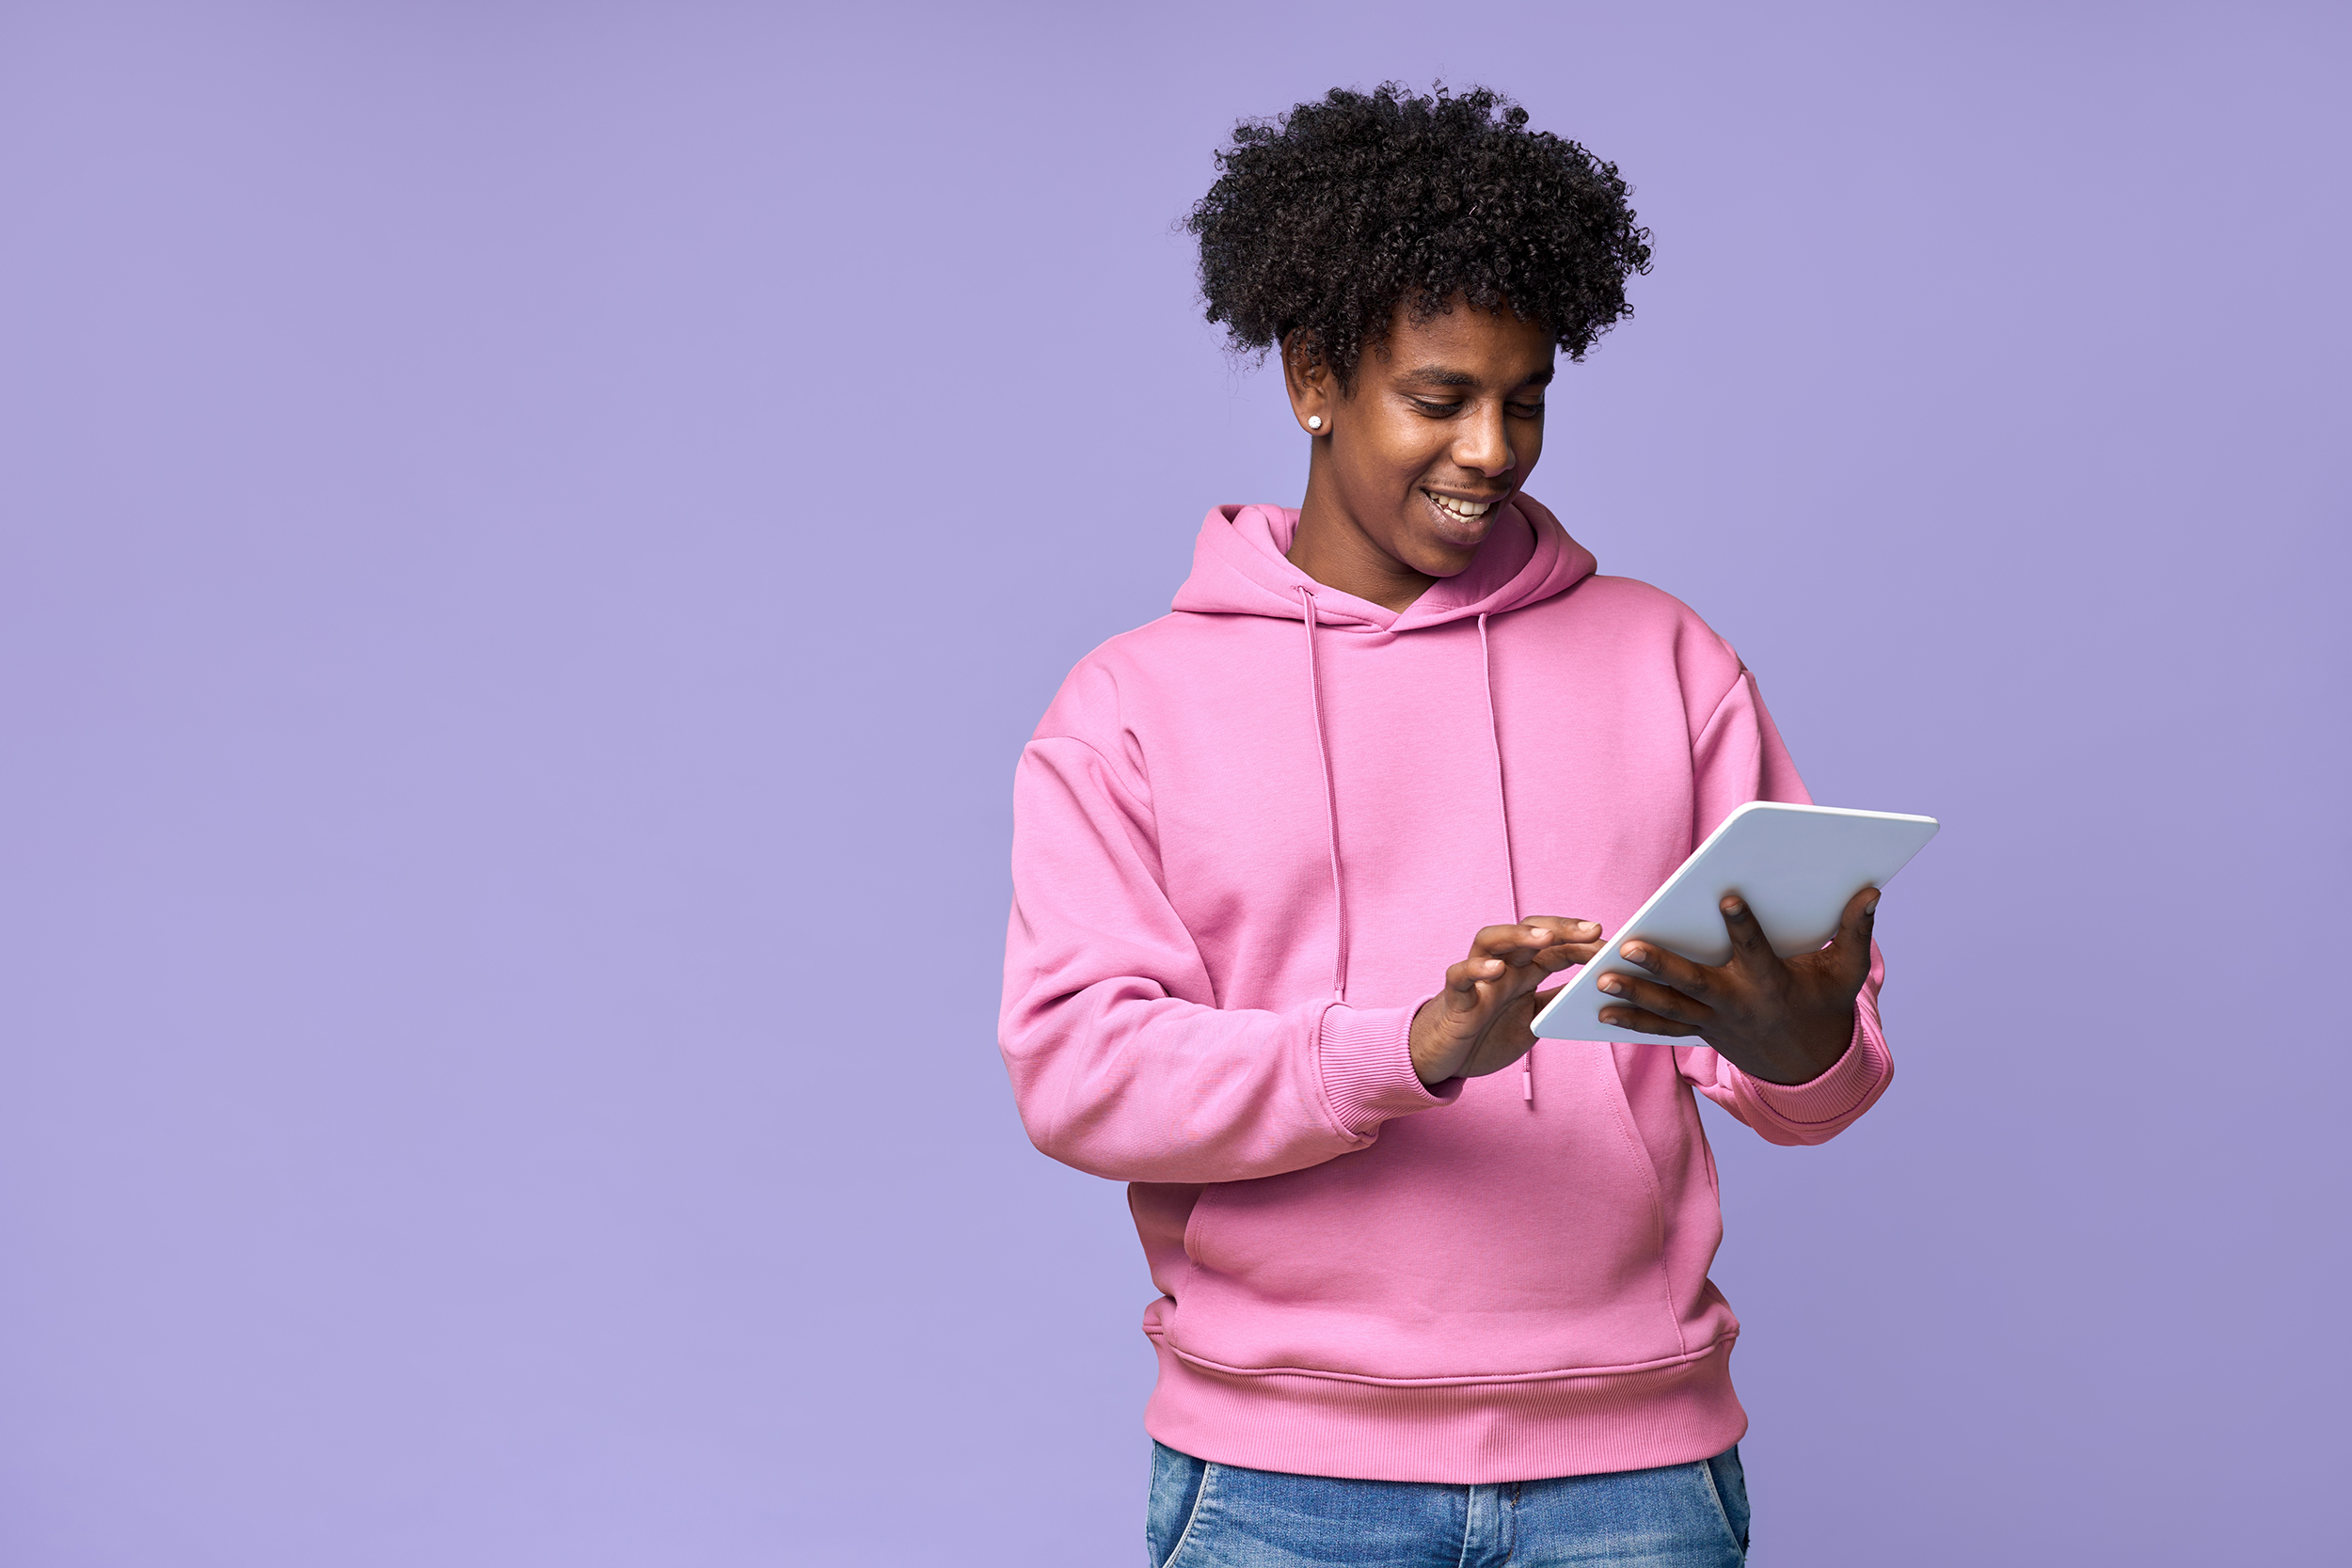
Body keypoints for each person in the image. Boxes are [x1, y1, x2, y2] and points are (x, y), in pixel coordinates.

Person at [998, 82, 1892, 1568]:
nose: (1492, 448)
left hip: (1637, 1472)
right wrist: (1409, 1049)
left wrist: (1801, 1047)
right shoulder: (1133, 703)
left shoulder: (1668, 661)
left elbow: (1820, 1070)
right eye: (1440, 397)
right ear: (1312, 377)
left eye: (1525, 397)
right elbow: (1079, 1077)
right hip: (1283, 1482)